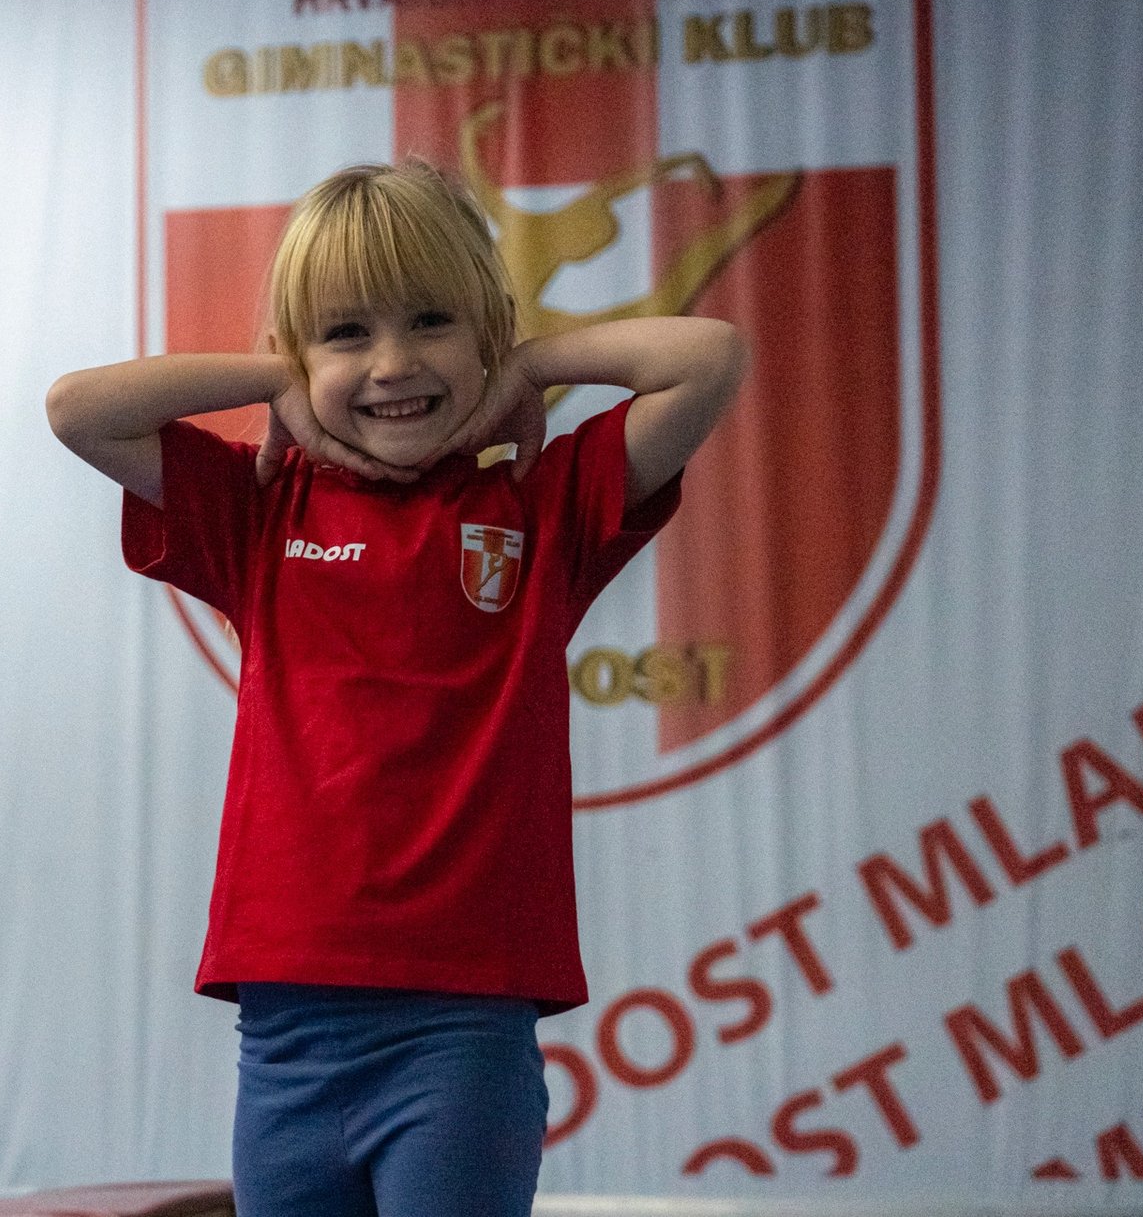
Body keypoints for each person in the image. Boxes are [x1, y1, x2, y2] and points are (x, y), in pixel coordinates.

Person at [45, 159, 746, 1215]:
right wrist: (270, 377)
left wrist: (528, 365)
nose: (393, 364)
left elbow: (708, 358)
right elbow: (77, 409)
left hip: (460, 1026)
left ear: (486, 332)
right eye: (343, 335)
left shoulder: (541, 508)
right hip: (284, 1025)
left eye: (431, 323)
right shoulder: (261, 512)